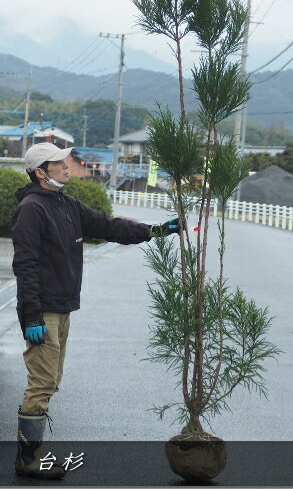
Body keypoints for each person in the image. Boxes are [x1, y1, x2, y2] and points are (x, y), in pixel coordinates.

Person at [11, 142, 179, 479]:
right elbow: (25, 264)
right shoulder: (32, 208)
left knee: (52, 380)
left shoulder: (65, 204)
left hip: (62, 308)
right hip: (42, 311)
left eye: (67, 161)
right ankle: (28, 458)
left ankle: (30, 451)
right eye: (60, 163)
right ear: (42, 172)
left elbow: (107, 226)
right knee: (42, 382)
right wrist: (31, 315)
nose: (68, 166)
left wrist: (154, 231)